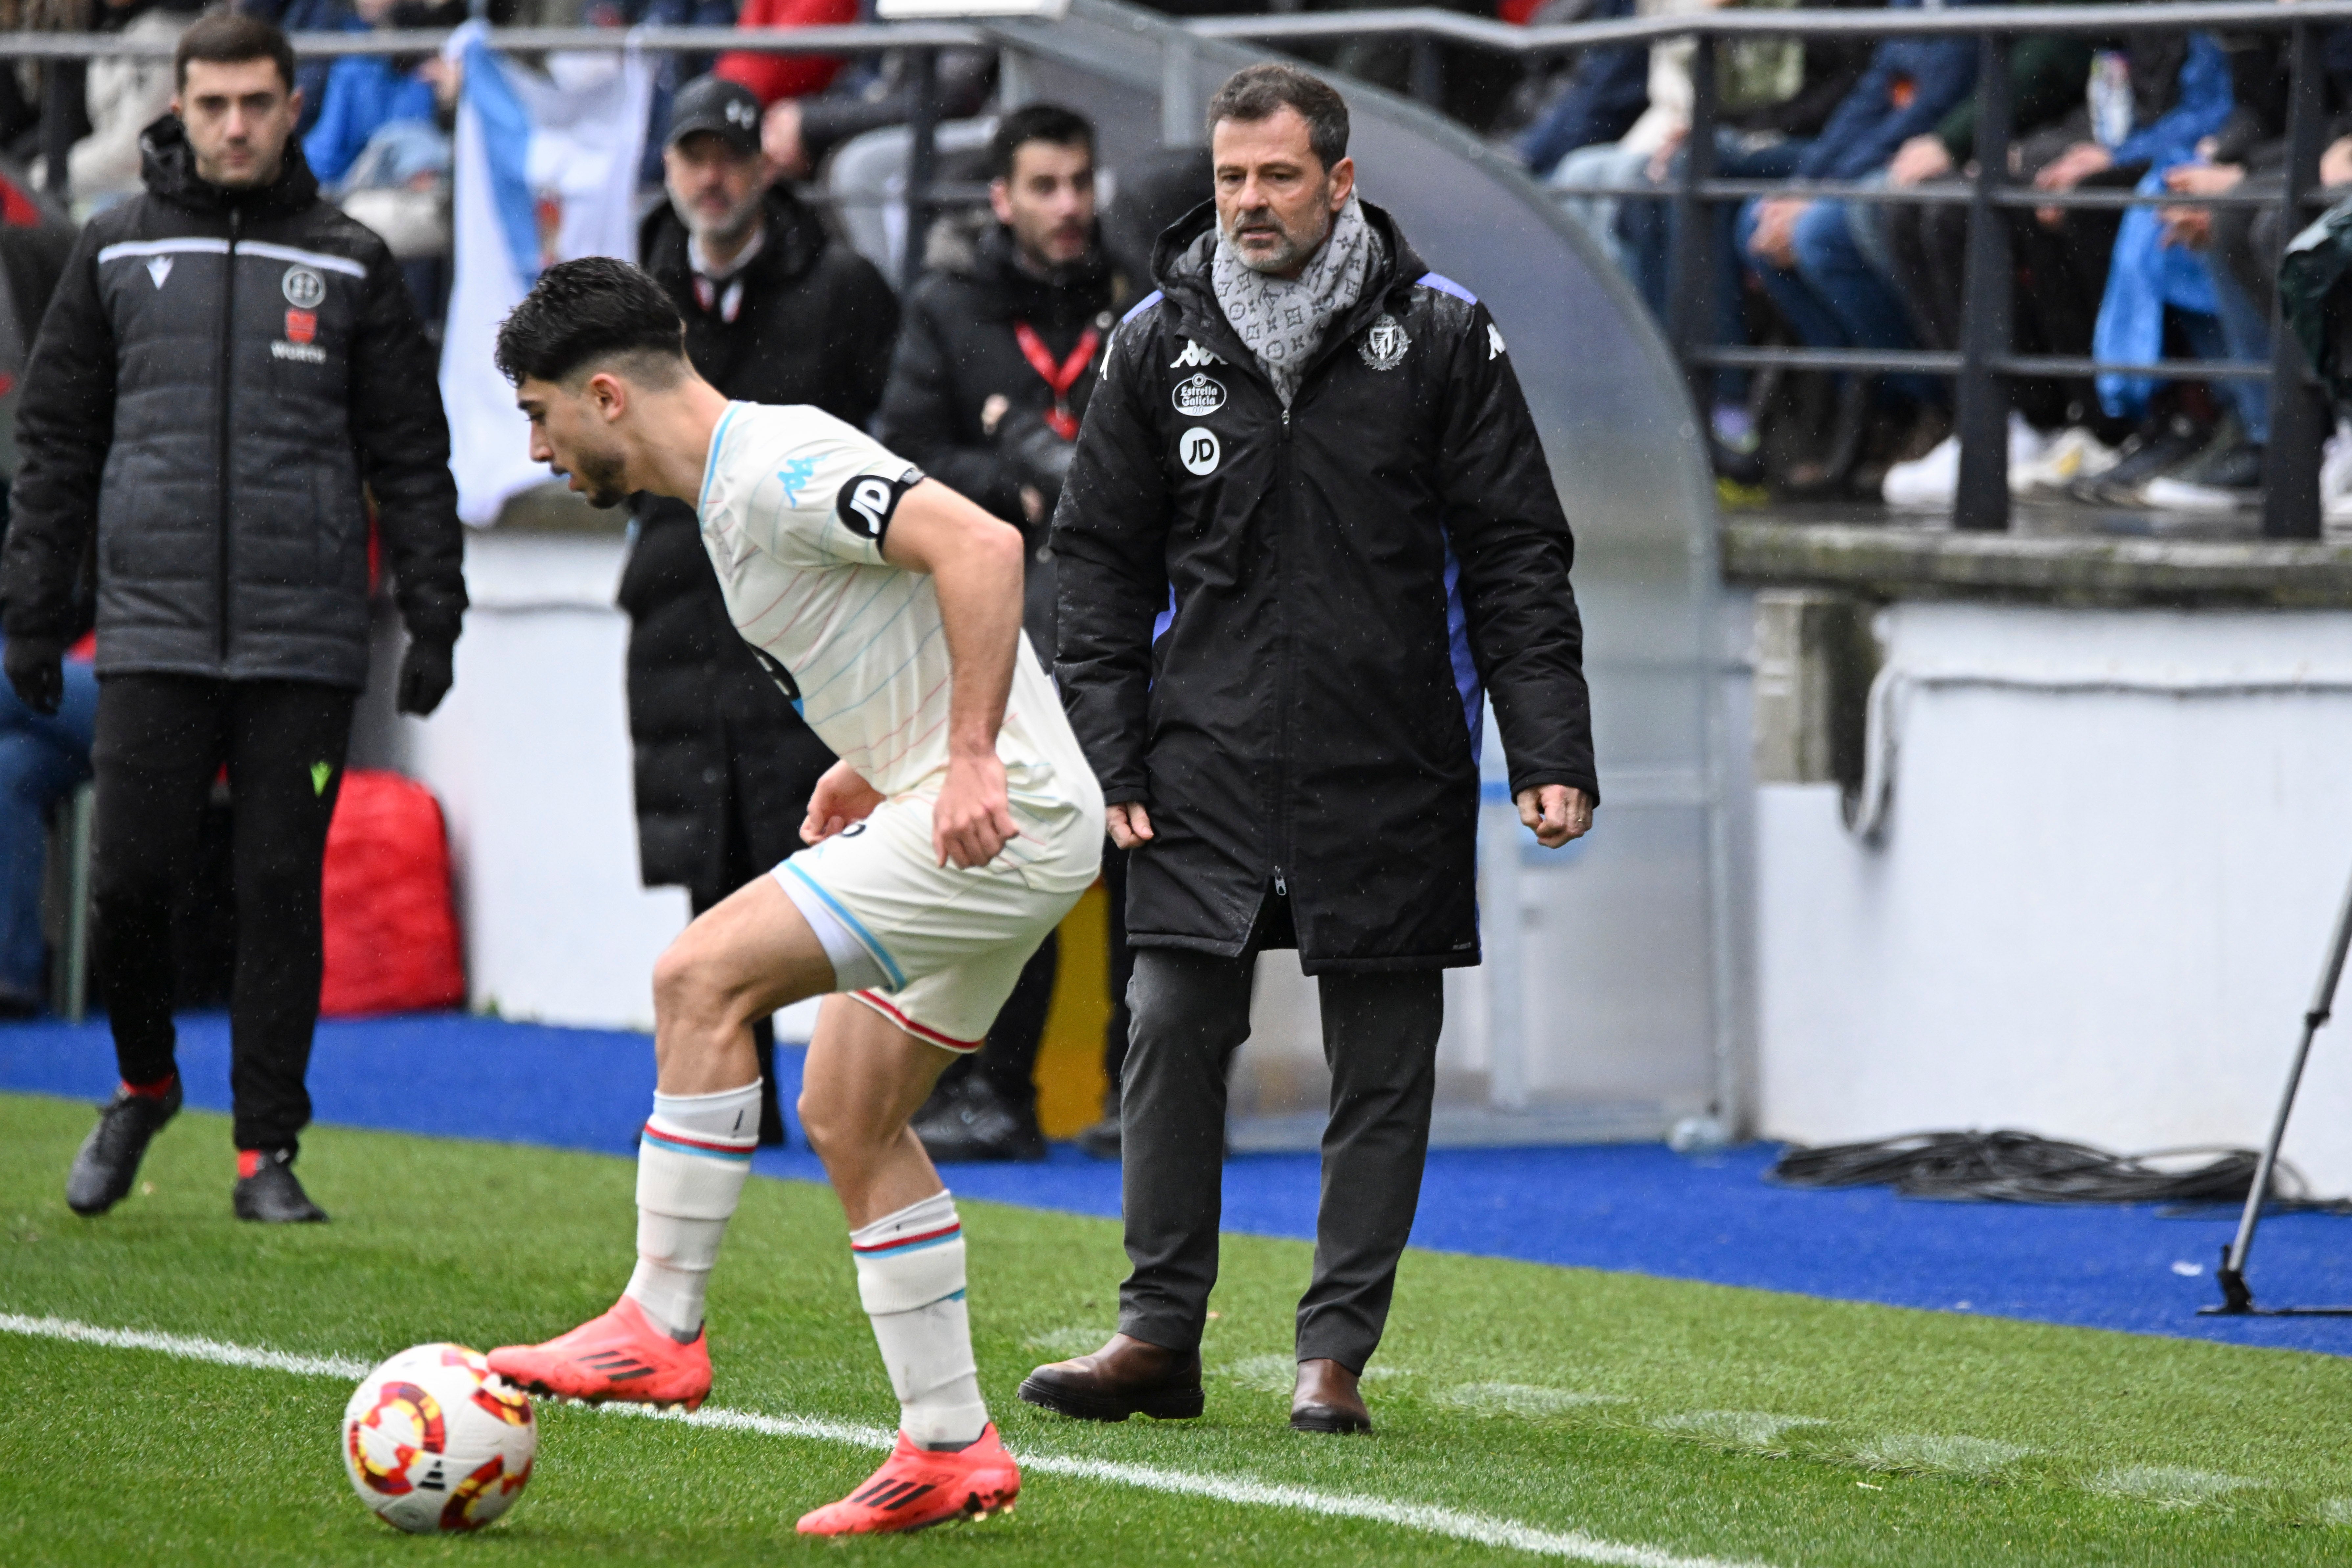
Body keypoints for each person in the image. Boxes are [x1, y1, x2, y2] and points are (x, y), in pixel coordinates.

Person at [483, 256, 1102, 1535]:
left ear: (604, 396)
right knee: (848, 1112)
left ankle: (658, 1321)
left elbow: (981, 545)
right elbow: (900, 609)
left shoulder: (770, 466)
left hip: (1000, 814)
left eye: (539, 414)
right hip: (978, 812)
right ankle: (949, 1445)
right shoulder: (730, 487)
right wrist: (870, 758)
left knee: (695, 976)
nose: (536, 447)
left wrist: (969, 758)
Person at [1029, 64, 1597, 1436]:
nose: (1248, 203)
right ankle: (1155, 1337)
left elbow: (1515, 555)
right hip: (1198, 761)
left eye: (1276, 176)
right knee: (1165, 1028)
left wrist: (1546, 746)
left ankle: (1331, 1355)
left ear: (1338, 182)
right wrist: (1110, 755)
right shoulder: (1155, 343)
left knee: (1382, 1065)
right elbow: (1093, 567)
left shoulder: (1446, 340)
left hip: (1388, 760)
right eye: (1230, 179)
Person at [3, 12, 467, 1223]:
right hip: (150, 632)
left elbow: (413, 455)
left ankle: (268, 1153)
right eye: (212, 105)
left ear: (293, 103)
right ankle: (144, 1083)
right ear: (180, 103)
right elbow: (55, 444)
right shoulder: (110, 250)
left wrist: (438, 616)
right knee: (129, 891)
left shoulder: (353, 259)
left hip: (302, 640)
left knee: (278, 893)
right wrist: (33, 614)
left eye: (256, 103)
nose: (235, 126)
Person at [625, 74, 899, 1143]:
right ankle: (736, 1100)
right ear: (667, 169)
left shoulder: (841, 288)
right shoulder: (635, 293)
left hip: (809, 612)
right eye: (694, 155)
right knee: (708, 845)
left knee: (825, 846)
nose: (712, 177)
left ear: (766, 165)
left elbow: (889, 428)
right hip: (678, 607)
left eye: (731, 155)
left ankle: (844, 1094)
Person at [878, 102, 1122, 1162]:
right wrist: (1014, 482)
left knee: (1142, 864)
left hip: (1133, 626)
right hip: (1004, 634)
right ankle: (995, 1090)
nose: (1067, 207)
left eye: (1079, 183)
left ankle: (1134, 1096)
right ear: (1002, 198)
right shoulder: (949, 307)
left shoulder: (1138, 295)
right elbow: (905, 457)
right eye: (1044, 187)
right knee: (1009, 860)